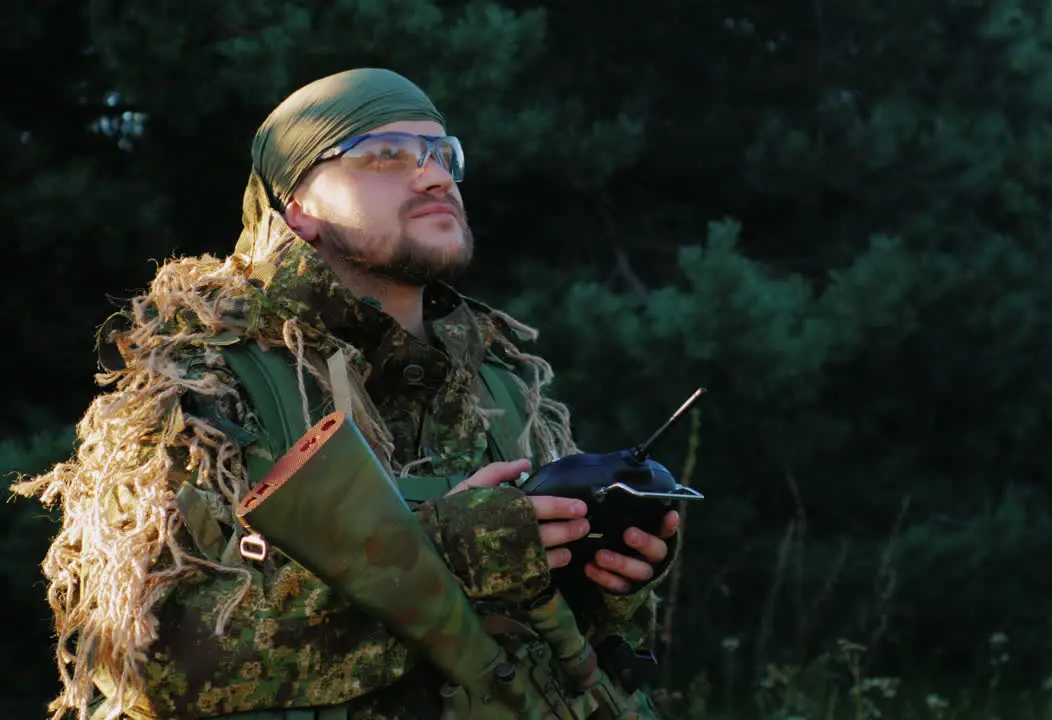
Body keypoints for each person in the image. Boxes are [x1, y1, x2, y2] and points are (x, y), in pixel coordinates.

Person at [14, 67, 681, 720]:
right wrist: (442, 557)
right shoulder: (198, 382)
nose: (436, 175)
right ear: (297, 209)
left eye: (443, 154)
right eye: (386, 155)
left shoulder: (504, 386)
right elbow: (151, 658)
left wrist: (600, 581)